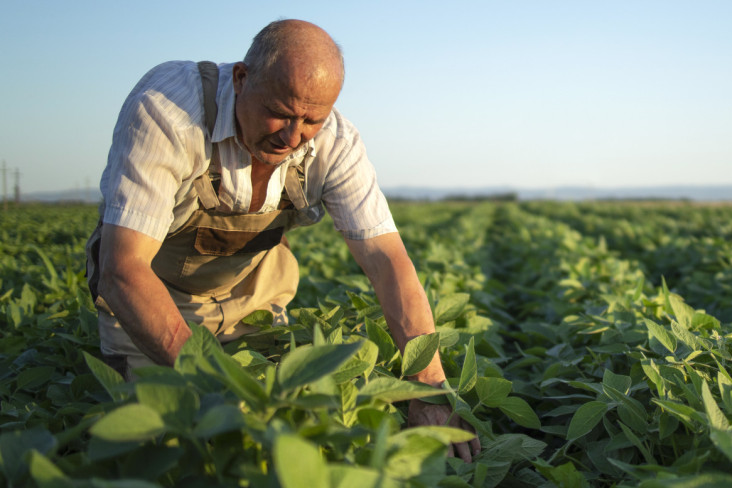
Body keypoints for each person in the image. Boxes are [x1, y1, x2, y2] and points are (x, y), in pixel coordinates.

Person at [84, 19, 480, 462]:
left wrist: (426, 388)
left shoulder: (336, 143)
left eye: (312, 119)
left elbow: (387, 261)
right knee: (166, 447)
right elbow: (122, 271)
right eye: (281, 112)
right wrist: (220, 389)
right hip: (152, 301)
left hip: (254, 296)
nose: (293, 137)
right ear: (241, 78)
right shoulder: (168, 111)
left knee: (289, 438)